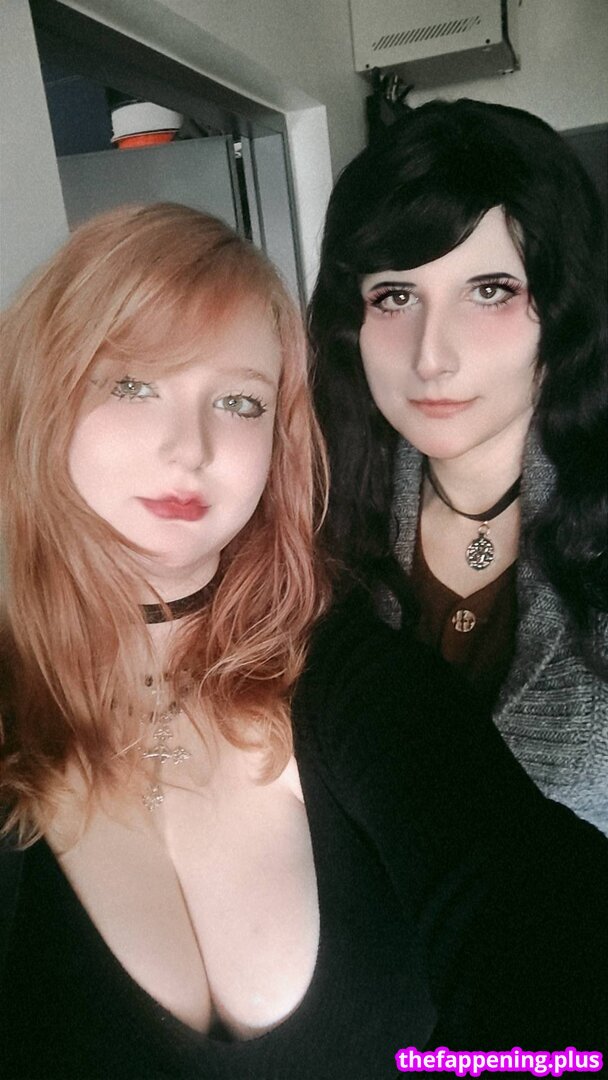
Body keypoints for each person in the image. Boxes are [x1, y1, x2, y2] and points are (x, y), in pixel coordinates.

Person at [1, 203, 607, 1080]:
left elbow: (531, 906)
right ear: (43, 394)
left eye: (238, 400)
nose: (190, 447)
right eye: (131, 384)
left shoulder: (350, 672)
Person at [309, 97, 608, 835]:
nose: (431, 356)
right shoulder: (314, 517)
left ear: (565, 304)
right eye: (394, 295)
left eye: (490, 291)